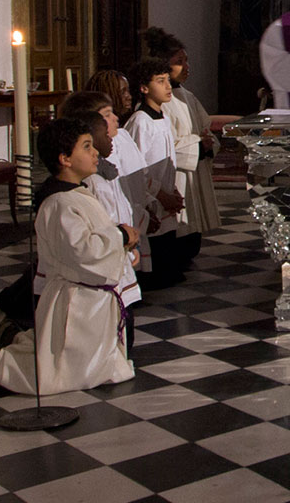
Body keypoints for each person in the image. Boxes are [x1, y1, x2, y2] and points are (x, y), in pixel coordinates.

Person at [0, 116, 137, 394]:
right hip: (76, 302)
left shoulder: (77, 194)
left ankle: (12, 343)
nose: (95, 152)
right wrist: (121, 236)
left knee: (97, 366)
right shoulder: (61, 203)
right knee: (64, 373)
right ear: (65, 158)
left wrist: (121, 247)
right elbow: (83, 252)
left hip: (92, 300)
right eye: (87, 147)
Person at [57, 91, 142, 347]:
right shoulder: (87, 185)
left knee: (125, 331)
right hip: (104, 272)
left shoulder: (103, 172)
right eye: (91, 143)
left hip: (120, 259)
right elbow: (100, 228)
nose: (109, 132)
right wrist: (125, 241)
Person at [126, 58, 197, 289]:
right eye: (160, 81)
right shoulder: (140, 121)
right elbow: (137, 167)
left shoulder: (163, 117)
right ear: (144, 88)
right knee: (153, 255)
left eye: (168, 80)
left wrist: (172, 190)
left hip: (165, 194)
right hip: (151, 197)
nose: (168, 86)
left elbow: (169, 159)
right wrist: (160, 193)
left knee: (169, 253)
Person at [160, 32, 220, 276]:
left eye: (187, 60)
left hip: (194, 170)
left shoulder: (187, 96)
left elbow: (205, 126)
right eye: (179, 61)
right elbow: (162, 145)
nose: (187, 67)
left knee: (192, 224)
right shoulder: (160, 101)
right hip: (177, 175)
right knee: (179, 222)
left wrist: (208, 142)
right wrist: (197, 144)